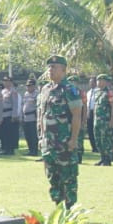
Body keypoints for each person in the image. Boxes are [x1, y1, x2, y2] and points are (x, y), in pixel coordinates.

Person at [36, 56, 83, 209]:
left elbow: (77, 115)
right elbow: (41, 115)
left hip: (64, 142)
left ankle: (69, 209)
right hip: (48, 142)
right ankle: (58, 207)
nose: (50, 70)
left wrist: (74, 139)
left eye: (54, 67)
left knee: (68, 177)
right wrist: (41, 137)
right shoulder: (45, 89)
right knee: (52, 177)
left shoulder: (69, 90)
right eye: (49, 67)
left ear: (63, 70)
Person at [92, 74, 113, 166]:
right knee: (98, 140)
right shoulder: (97, 92)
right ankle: (102, 158)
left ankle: (107, 160)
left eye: (100, 80)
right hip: (97, 121)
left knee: (106, 140)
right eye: (97, 80)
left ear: (104, 82)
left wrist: (112, 120)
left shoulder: (109, 93)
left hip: (106, 121)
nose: (98, 82)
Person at [21, 78, 41, 156]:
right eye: (27, 86)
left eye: (30, 86)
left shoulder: (37, 94)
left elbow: (38, 107)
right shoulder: (26, 94)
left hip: (33, 117)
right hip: (25, 117)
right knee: (27, 135)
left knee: (33, 135)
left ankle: (34, 151)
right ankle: (30, 150)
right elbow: (23, 105)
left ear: (34, 86)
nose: (28, 87)